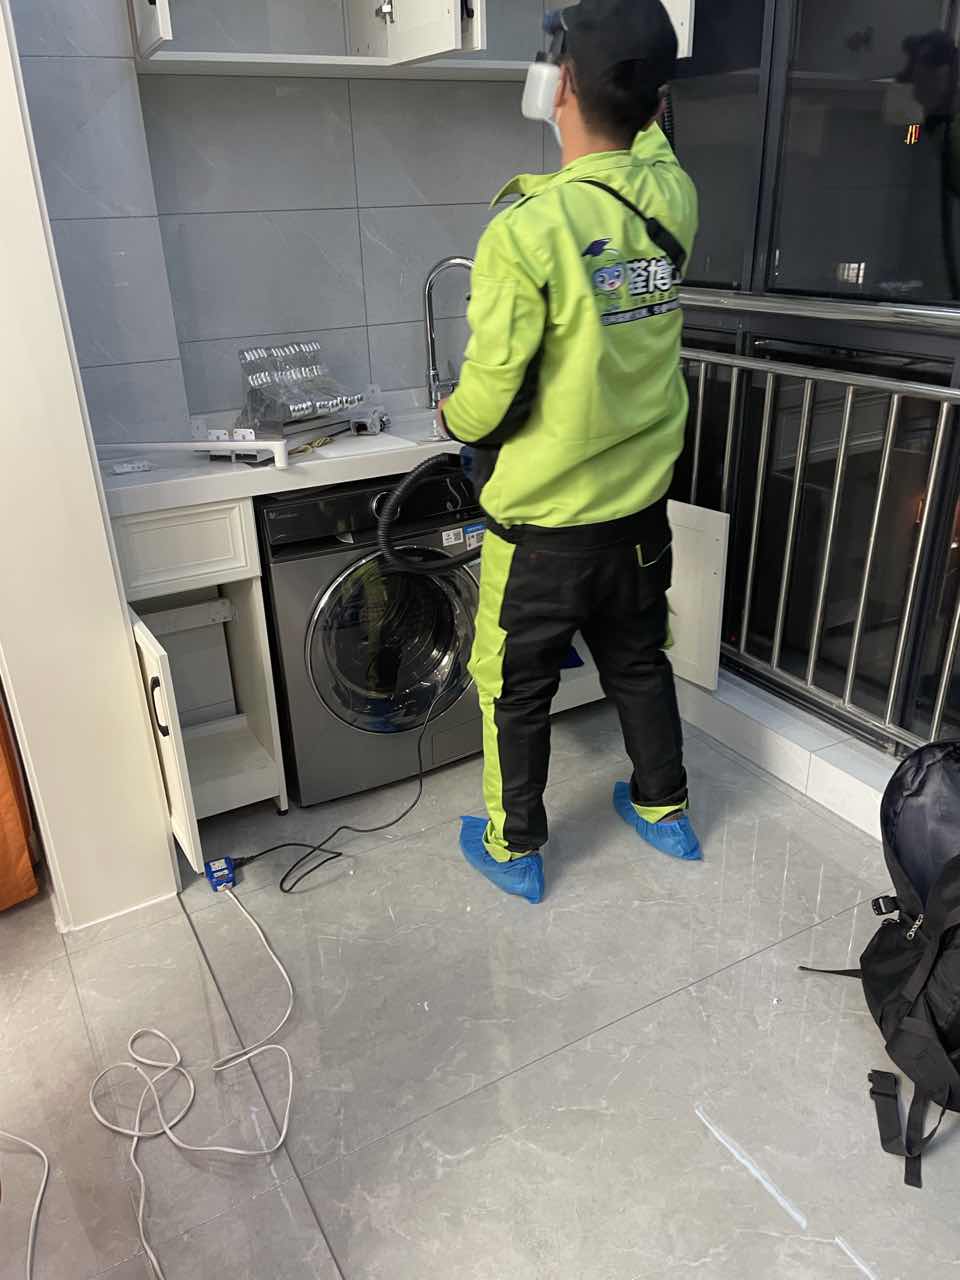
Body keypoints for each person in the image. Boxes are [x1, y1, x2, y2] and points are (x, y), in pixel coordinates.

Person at [439, 0, 701, 904]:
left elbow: (489, 398)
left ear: (560, 85)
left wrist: (452, 416)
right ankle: (665, 809)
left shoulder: (527, 230)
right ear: (656, 102)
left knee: (513, 686)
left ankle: (513, 848)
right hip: (639, 517)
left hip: (542, 534)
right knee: (640, 659)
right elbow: (649, 138)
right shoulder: (671, 196)